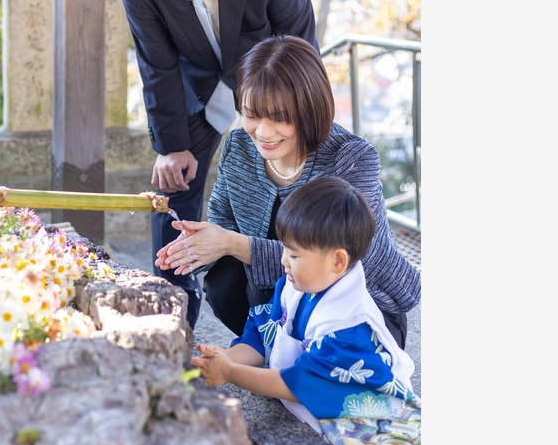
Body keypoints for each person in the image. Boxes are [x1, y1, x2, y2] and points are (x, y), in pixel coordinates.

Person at [117, 0, 317, 327]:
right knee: (173, 183)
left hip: (269, 93)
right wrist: (170, 145)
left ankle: (293, 297)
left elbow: (302, 60)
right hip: (195, 89)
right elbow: (156, 61)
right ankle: (170, 307)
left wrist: (290, 132)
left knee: (291, 190)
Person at [155, 35, 420, 348]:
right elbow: (223, 222)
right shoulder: (239, 146)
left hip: (361, 312)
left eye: (280, 117)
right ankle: (278, 353)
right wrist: (199, 246)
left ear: (310, 108)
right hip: (283, 297)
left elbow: (345, 261)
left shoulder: (351, 158)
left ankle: (291, 361)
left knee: (250, 269)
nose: (264, 132)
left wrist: (232, 243)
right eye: (252, 114)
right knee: (222, 282)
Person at [190, 177, 422, 445]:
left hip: (370, 424)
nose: (284, 261)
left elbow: (297, 384)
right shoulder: (298, 283)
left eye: (294, 254)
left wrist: (232, 372)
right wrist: (222, 359)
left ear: (338, 261)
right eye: (285, 249)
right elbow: (265, 335)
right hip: (318, 396)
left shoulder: (351, 325)